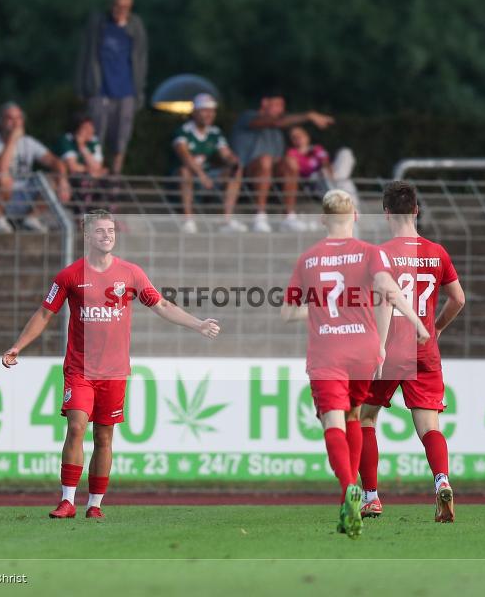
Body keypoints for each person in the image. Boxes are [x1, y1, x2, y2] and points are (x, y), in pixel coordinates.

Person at [1, 209, 219, 519]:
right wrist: (18, 346)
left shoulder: (130, 273)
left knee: (104, 436)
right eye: (100, 231)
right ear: (87, 236)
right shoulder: (70, 275)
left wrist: (197, 324)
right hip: (80, 370)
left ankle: (95, 505)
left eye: (111, 231)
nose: (107, 236)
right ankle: (67, 500)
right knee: (76, 427)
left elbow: (162, 305)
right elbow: (44, 313)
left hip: (114, 373)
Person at [282, 189, 428, 539]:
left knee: (332, 419)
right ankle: (358, 491)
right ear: (356, 217)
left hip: (327, 350)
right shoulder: (370, 253)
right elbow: (389, 291)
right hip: (362, 351)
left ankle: (350, 487)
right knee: (354, 416)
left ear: (322, 219)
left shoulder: (308, 259)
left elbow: (287, 312)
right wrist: (418, 323)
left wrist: (317, 311)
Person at [358, 181, 465, 523]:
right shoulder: (436, 252)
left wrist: (376, 349)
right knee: (429, 426)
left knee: (365, 419)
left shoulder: (381, 254)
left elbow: (382, 303)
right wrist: (435, 329)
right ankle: (442, 481)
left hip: (390, 349)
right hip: (424, 349)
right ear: (416, 210)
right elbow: (459, 299)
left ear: (386, 213)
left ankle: (372, 497)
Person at [231, 90, 334, 232]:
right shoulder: (248, 117)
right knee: (265, 160)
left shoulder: (277, 133)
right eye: (278, 105)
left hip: (272, 175)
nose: (282, 110)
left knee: (290, 162)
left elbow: (279, 156)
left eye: (282, 106)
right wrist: (309, 115)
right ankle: (259, 216)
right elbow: (276, 122)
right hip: (247, 171)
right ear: (265, 103)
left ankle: (289, 217)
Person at [76, 0, 148, 175]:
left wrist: (139, 92)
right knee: (96, 138)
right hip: (100, 89)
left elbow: (141, 58)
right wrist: (82, 87)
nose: (121, 10)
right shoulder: (99, 23)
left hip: (126, 90)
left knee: (121, 141)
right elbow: (85, 54)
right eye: (118, 6)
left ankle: (114, 182)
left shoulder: (135, 25)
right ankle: (93, 182)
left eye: (125, 7)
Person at [0, 102, 71, 233]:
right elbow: (0, 167)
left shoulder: (29, 142)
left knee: (50, 179)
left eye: (19, 118)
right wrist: (12, 140)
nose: (15, 123)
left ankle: (31, 219)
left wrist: (63, 180)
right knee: (4, 179)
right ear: (0, 121)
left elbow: (55, 162)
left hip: (24, 195)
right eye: (10, 118)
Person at [172, 93, 246, 233]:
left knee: (235, 172)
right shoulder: (183, 131)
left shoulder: (215, 132)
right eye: (204, 110)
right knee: (185, 172)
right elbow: (185, 156)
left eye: (212, 111)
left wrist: (234, 162)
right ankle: (188, 220)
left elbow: (225, 153)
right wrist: (201, 175)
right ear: (194, 113)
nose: (209, 115)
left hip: (207, 175)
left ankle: (227, 219)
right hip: (187, 175)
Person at [56, 114, 107, 212]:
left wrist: (82, 147)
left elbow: (97, 166)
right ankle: (82, 217)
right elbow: (73, 167)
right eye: (85, 128)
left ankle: (110, 216)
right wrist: (80, 144)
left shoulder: (93, 141)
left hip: (91, 178)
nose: (90, 130)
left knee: (111, 180)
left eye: (91, 127)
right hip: (68, 179)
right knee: (85, 180)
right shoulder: (66, 140)